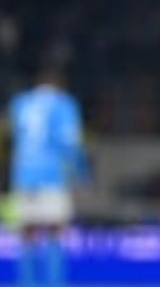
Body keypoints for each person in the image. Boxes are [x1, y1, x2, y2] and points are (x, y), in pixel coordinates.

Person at [8, 67, 84, 287]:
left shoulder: (20, 102)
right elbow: (69, 142)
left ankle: (26, 282)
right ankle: (54, 282)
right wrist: (81, 171)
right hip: (51, 174)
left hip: (23, 173)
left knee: (26, 231)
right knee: (55, 229)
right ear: (59, 85)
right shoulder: (63, 104)